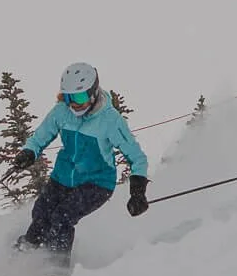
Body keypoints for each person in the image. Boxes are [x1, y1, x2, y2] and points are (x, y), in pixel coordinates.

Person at [9, 61, 149, 253]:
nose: (74, 103)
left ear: (93, 92)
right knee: (41, 214)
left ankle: (55, 268)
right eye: (68, 97)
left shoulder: (110, 120)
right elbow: (39, 138)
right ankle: (25, 253)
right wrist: (28, 152)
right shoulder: (61, 111)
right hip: (62, 177)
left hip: (97, 183)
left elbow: (137, 157)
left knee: (62, 217)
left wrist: (138, 192)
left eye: (80, 96)